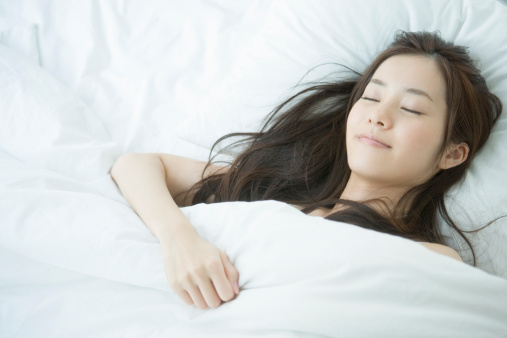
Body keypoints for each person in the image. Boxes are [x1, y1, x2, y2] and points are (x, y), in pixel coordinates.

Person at [110, 31, 502, 310]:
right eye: (371, 97)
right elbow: (139, 165)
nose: (378, 117)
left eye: (411, 109)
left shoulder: (432, 259)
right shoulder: (278, 196)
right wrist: (180, 241)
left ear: (451, 154)